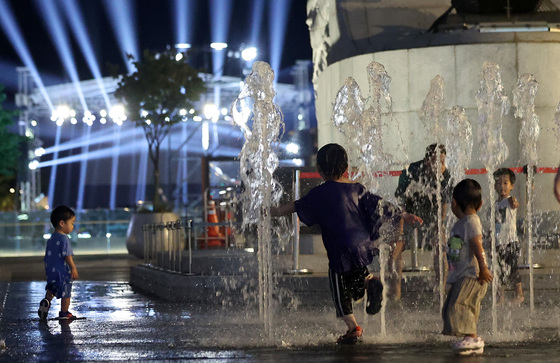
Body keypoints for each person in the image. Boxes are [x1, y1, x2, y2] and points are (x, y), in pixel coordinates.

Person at [271, 143, 422, 344]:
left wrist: (275, 212)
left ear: (319, 170)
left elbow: (297, 206)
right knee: (357, 275)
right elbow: (380, 204)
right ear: (346, 167)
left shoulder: (320, 193)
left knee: (339, 289)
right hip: (362, 244)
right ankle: (371, 282)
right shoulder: (357, 188)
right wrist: (403, 213)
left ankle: (353, 328)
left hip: (339, 248)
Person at [442, 179, 493, 356]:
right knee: (455, 305)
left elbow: (476, 245)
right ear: (480, 205)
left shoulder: (471, 222)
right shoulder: (463, 223)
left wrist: (483, 268)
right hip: (464, 275)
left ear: (454, 203)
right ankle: (469, 338)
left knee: (460, 304)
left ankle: (473, 338)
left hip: (473, 275)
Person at [395, 143, 453, 289]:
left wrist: (440, 227)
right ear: (426, 161)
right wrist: (401, 226)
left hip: (432, 216)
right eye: (436, 161)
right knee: (396, 246)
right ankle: (395, 294)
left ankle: (440, 291)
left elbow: (444, 205)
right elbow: (400, 201)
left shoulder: (445, 175)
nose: (440, 165)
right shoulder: (411, 171)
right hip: (410, 214)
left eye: (442, 161)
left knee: (441, 249)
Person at [38, 205, 79, 320]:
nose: (73, 226)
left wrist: (47, 271)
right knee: (66, 292)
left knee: (52, 288)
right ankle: (64, 313)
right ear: (62, 223)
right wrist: (73, 268)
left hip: (51, 270)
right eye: (71, 223)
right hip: (62, 271)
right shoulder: (64, 238)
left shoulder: (51, 238)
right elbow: (67, 255)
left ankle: (46, 301)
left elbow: (47, 256)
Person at [492, 168, 524, 304]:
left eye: (505, 183)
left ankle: (519, 294)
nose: (502, 186)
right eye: (498, 183)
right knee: (499, 270)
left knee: (512, 269)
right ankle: (501, 296)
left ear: (511, 186)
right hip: (499, 242)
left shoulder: (509, 200)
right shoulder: (495, 204)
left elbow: (514, 203)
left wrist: (515, 202)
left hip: (511, 242)